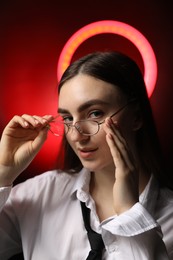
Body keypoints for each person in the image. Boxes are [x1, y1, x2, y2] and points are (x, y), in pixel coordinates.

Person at [0, 51, 173, 260]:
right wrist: (3, 173)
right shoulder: (41, 193)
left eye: (95, 113)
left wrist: (130, 214)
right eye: (67, 117)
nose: (75, 135)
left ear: (136, 116)